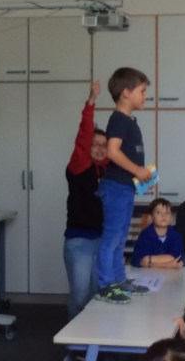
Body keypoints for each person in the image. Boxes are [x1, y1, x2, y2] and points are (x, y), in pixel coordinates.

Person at [95, 67, 153, 304]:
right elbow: (112, 151)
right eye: (142, 91)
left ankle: (118, 280)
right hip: (116, 188)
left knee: (120, 238)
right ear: (126, 93)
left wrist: (140, 178)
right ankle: (105, 285)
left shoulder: (129, 120)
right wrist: (138, 170)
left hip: (125, 187)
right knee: (112, 237)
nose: (145, 96)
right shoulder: (118, 119)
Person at [63, 81, 108, 320]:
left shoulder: (107, 170)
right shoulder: (79, 166)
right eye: (95, 145)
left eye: (104, 146)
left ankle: (92, 339)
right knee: (80, 297)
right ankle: (72, 339)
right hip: (79, 241)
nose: (100, 149)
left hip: (103, 240)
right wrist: (91, 102)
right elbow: (83, 136)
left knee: (96, 296)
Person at [131, 198, 184, 269]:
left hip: (171, 273)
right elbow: (138, 260)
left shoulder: (175, 235)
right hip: (148, 273)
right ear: (151, 217)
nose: (163, 216)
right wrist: (168, 265)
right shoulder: (145, 235)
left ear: (171, 217)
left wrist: (149, 260)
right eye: (158, 212)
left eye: (167, 213)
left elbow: (176, 257)